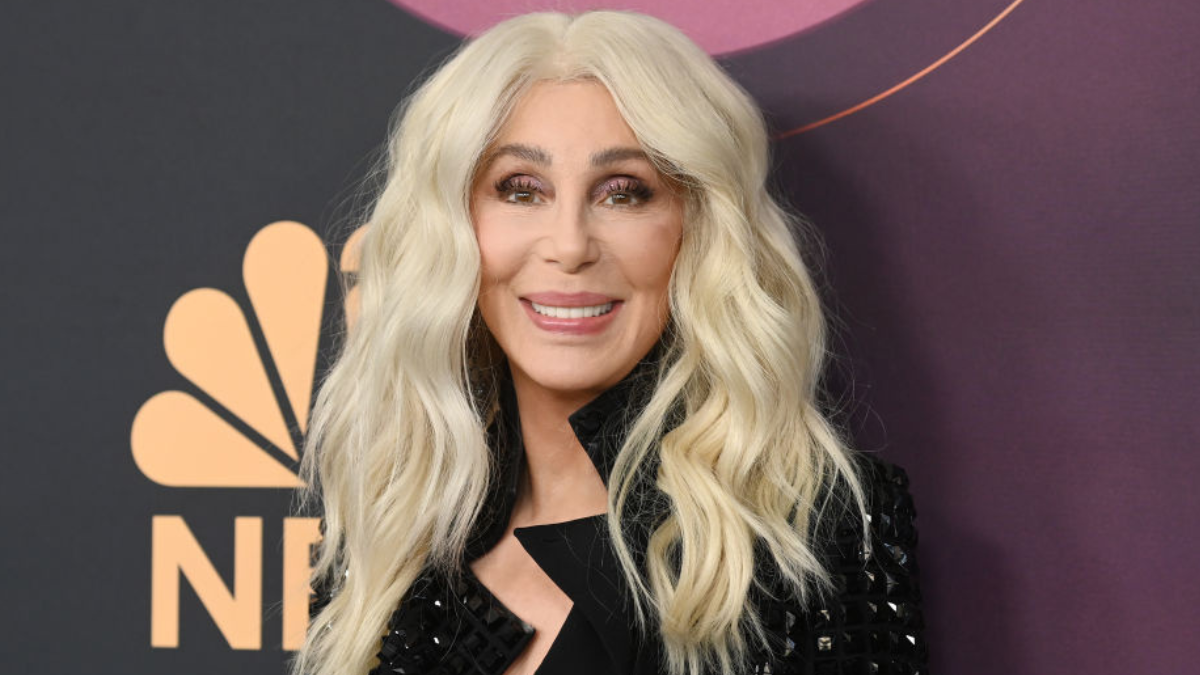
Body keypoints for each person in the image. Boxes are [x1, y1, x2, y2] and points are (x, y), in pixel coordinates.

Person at [295, 10, 927, 675]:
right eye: (521, 190)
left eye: (624, 193)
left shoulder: (810, 531)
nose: (570, 245)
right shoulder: (391, 538)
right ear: (454, 228)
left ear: (696, 230)